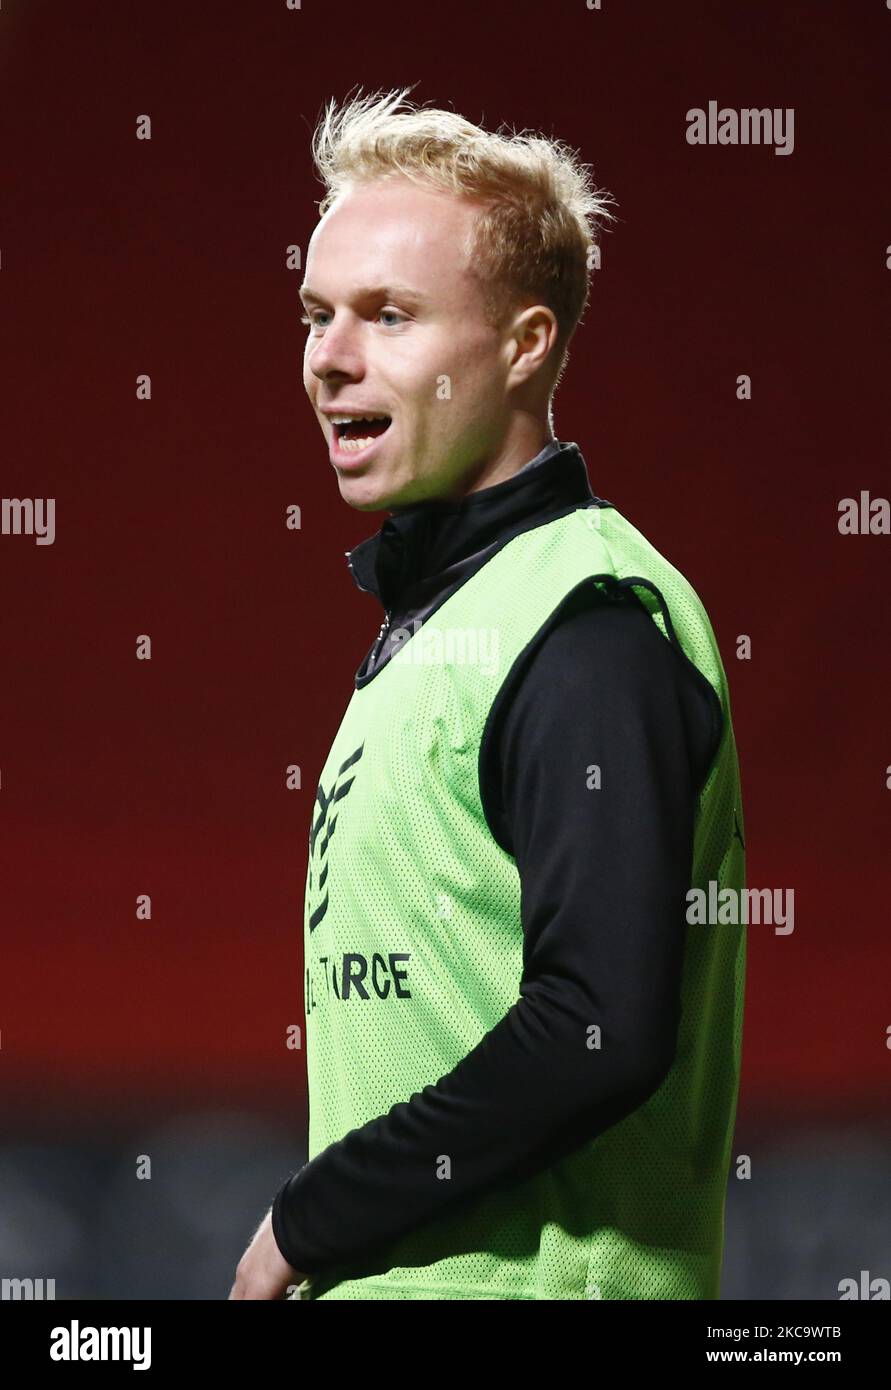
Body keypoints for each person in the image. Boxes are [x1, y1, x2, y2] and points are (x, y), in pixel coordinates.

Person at [228, 85, 746, 1302]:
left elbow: (598, 1027)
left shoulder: (587, 623)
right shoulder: (453, 620)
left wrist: (309, 1220)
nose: (331, 358)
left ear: (526, 345)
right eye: (317, 314)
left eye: (390, 316)